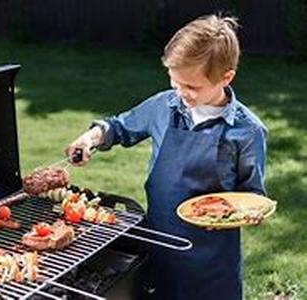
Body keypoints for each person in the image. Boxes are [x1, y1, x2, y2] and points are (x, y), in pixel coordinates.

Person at [65, 14, 267, 300]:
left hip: (212, 261)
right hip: (158, 240)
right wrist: (90, 138)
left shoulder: (248, 131)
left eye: (192, 87)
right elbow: (120, 126)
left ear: (226, 77)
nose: (181, 92)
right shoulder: (164, 106)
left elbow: (253, 196)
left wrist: (241, 214)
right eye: (175, 82)